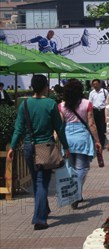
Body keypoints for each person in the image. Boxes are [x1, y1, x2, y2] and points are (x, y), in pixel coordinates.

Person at [6, 74, 70, 230]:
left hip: (29, 147)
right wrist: (66, 146)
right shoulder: (50, 104)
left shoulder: (25, 104)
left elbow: (19, 128)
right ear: (45, 87)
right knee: (42, 183)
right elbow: (59, 127)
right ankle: (39, 219)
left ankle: (44, 209)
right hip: (45, 148)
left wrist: (12, 147)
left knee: (36, 181)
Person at [59, 79, 102, 209]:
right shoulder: (87, 103)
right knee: (81, 168)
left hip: (67, 138)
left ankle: (75, 192)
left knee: (70, 168)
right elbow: (91, 124)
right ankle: (77, 191)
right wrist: (97, 140)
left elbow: (61, 125)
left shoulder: (61, 105)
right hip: (82, 138)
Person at [89, 79, 108, 148]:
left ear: (99, 84)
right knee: (95, 127)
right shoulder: (92, 93)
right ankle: (96, 142)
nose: (95, 85)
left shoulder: (104, 91)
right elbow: (90, 103)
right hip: (95, 111)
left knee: (102, 128)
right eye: (94, 84)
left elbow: (107, 101)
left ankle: (102, 143)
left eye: (96, 84)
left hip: (102, 110)